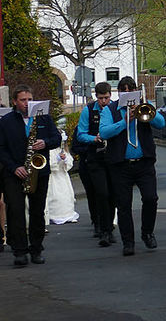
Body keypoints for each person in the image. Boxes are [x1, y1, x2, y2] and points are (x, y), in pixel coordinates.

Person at [97, 76, 166, 256]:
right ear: (118, 92)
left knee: (151, 198)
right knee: (123, 204)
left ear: (135, 91)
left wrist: (146, 110)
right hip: (120, 165)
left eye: (130, 90)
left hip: (144, 162)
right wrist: (124, 121)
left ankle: (147, 233)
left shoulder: (145, 104)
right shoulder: (110, 110)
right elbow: (104, 132)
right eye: (123, 90)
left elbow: (161, 123)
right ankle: (128, 242)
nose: (127, 93)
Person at [0, 86, 62, 266]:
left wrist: (45, 142)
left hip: (38, 171)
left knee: (37, 211)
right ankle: (19, 251)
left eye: (29, 99)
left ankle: (36, 249)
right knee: (16, 211)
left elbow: (56, 138)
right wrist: (14, 167)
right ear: (14, 102)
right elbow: (1, 149)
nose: (27, 104)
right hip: (15, 172)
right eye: (23, 100)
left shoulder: (43, 117)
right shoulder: (6, 121)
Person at [75, 82, 116, 247]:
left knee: (112, 195)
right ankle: (103, 230)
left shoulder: (114, 108)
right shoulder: (88, 110)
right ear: (96, 96)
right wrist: (94, 139)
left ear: (110, 95)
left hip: (112, 157)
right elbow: (81, 134)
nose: (104, 102)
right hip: (95, 157)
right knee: (102, 193)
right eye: (100, 98)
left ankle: (109, 228)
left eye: (106, 98)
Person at [46, 131, 80, 224]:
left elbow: (70, 163)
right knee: (55, 196)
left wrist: (65, 159)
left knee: (66, 195)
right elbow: (49, 164)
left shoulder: (64, 150)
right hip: (53, 178)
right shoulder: (50, 150)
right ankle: (54, 215)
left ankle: (67, 213)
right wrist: (57, 160)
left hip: (63, 177)